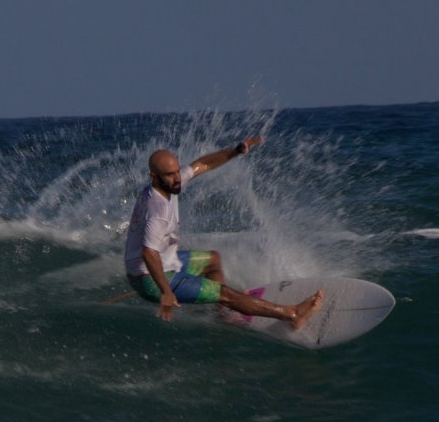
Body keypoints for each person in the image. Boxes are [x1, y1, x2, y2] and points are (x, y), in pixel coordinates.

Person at [124, 136, 323, 327]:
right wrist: (166, 292)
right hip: (150, 279)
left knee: (213, 260)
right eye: (170, 175)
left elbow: (203, 164)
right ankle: (293, 315)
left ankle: (219, 312)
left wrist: (235, 151)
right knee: (226, 293)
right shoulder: (158, 210)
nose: (177, 178)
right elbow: (149, 252)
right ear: (153, 177)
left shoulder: (166, 185)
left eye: (177, 171)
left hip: (163, 263)